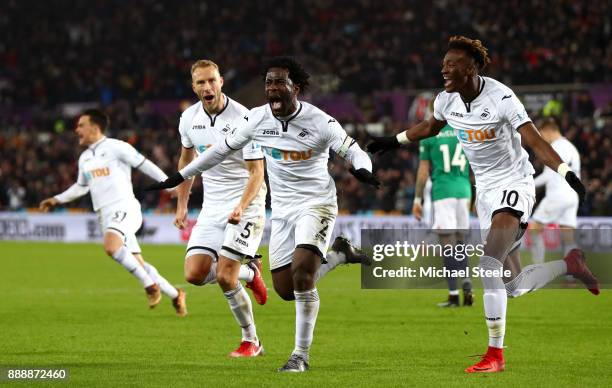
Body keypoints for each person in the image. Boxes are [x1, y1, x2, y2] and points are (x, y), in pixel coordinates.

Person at [367, 36, 599, 373]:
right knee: (513, 286)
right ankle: (570, 265)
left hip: (515, 184)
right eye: (443, 64)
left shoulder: (502, 97)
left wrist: (566, 172)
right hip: (486, 193)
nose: (444, 69)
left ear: (472, 67)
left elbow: (533, 139)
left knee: (488, 263)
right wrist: (395, 140)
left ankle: (495, 355)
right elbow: (431, 126)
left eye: (452, 64)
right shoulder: (446, 101)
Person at [147, 56, 378, 372]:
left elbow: (352, 148)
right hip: (282, 212)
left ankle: (300, 356)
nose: (272, 88)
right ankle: (338, 254)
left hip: (316, 203)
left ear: (294, 88)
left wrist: (363, 168)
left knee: (302, 276)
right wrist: (178, 177)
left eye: (279, 82)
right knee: (286, 290)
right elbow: (219, 149)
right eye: (268, 83)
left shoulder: (319, 121)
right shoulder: (256, 120)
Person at [39, 109, 187, 316]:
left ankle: (150, 287)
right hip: (105, 215)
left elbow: (144, 164)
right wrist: (57, 199)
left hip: (124, 207)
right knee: (138, 262)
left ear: (94, 127)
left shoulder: (116, 147)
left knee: (111, 246)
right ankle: (176, 294)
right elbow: (81, 187)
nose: (77, 129)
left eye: (81, 125)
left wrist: (170, 184)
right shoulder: (84, 159)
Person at [173, 59, 268, 357]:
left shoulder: (245, 118)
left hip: (246, 203)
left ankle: (251, 341)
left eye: (211, 80)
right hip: (212, 205)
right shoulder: (188, 119)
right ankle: (250, 274)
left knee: (226, 276)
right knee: (194, 274)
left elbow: (257, 173)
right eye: (201, 82)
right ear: (194, 87)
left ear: (221, 81)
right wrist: (182, 202)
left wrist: (241, 205)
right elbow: (187, 164)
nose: (207, 87)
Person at [413, 103, 473, 307]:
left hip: (443, 191)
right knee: (460, 243)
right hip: (464, 191)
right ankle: (467, 285)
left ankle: (454, 295)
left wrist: (417, 200)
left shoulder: (429, 135)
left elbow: (423, 173)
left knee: (447, 244)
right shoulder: (464, 131)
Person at [529, 118, 581, 265]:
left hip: (558, 195)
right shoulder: (572, 148)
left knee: (534, 229)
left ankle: (537, 269)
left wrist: (527, 184)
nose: (542, 139)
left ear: (549, 130)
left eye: (542, 134)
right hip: (572, 196)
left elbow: (547, 176)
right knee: (568, 236)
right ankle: (573, 273)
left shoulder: (556, 147)